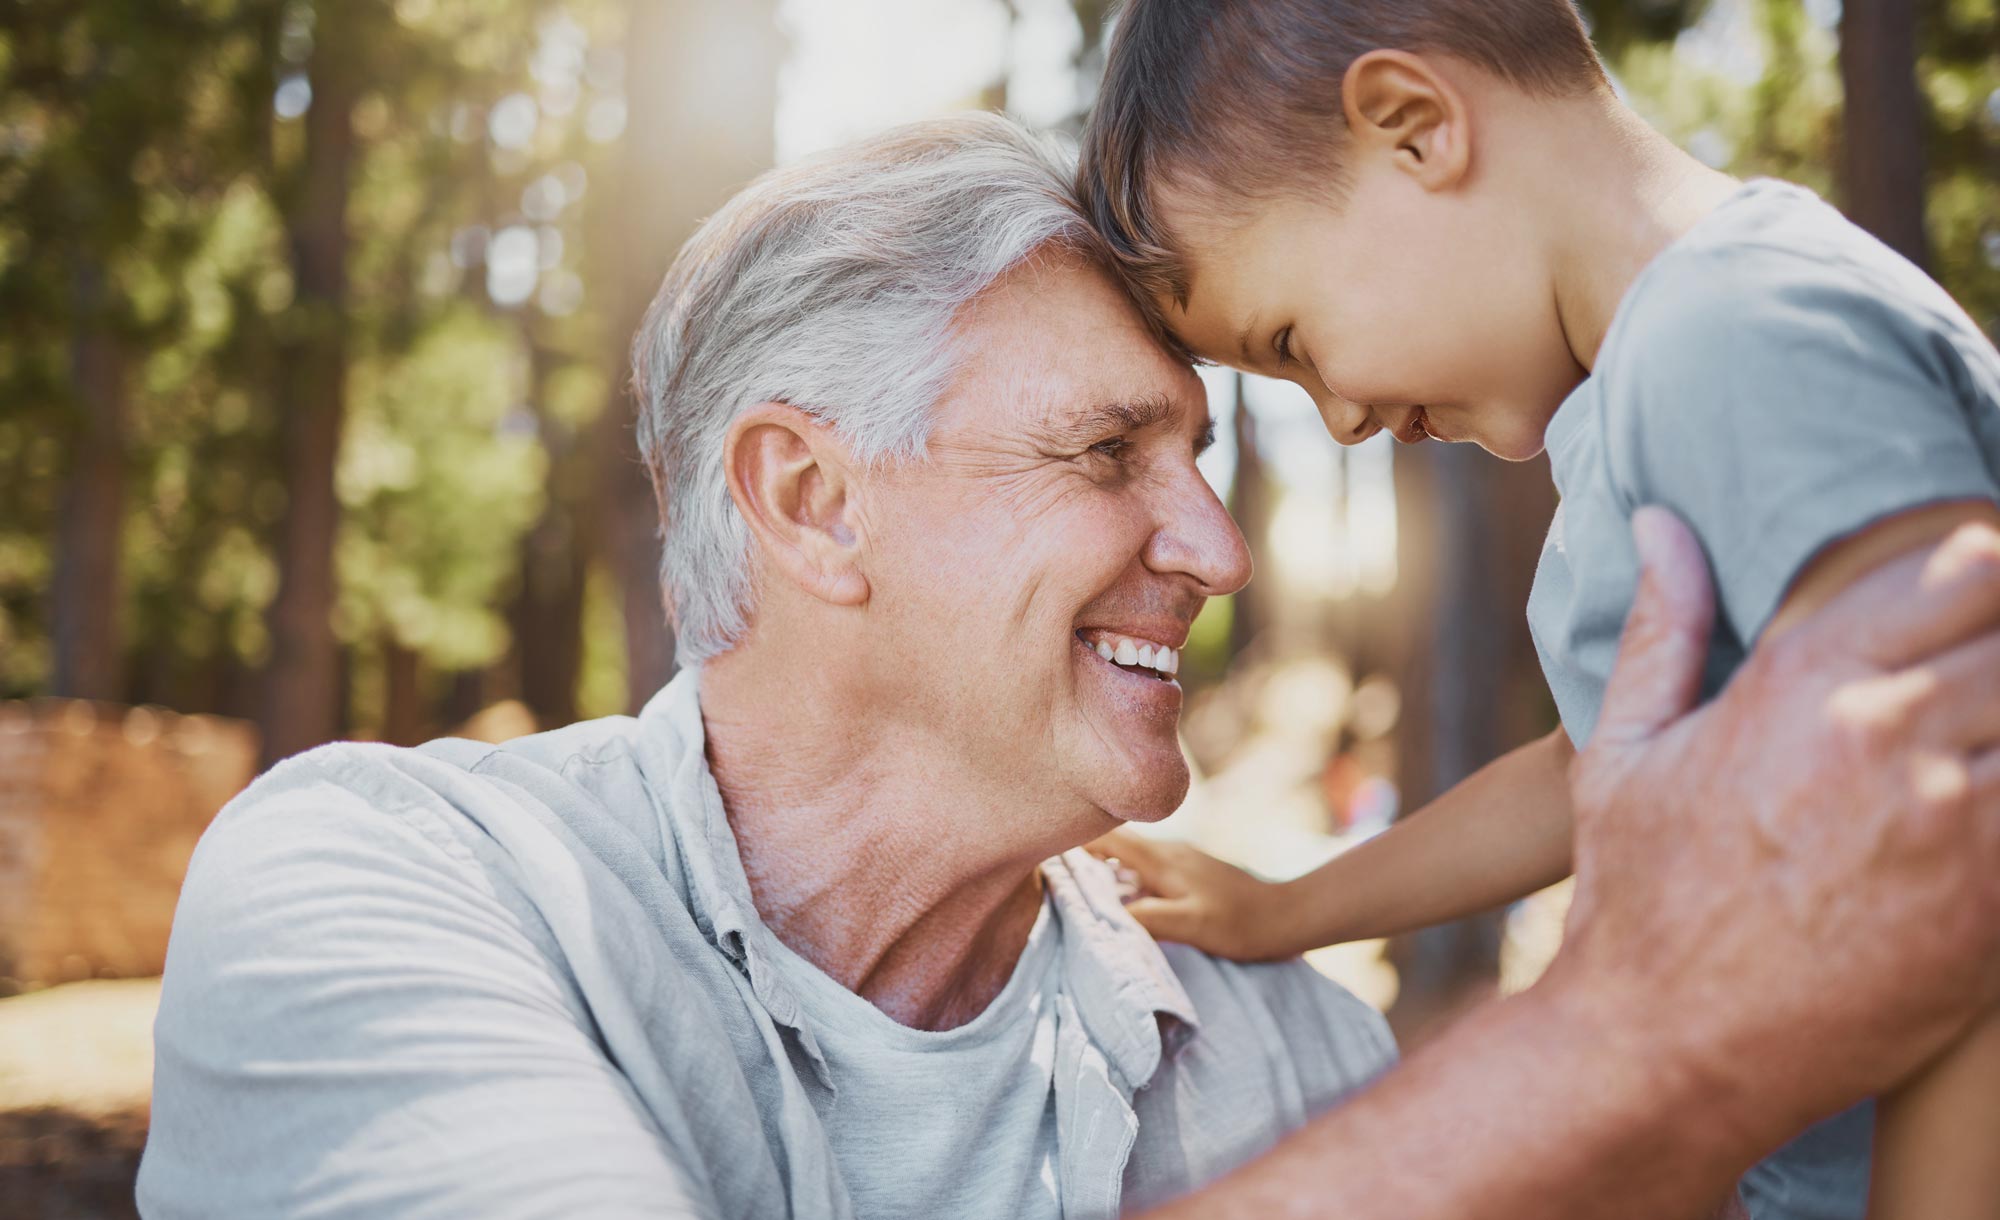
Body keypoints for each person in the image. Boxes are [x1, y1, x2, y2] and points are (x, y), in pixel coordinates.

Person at [136, 113, 2000, 1220]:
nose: (1219, 551)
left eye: (1202, 454)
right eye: (1108, 453)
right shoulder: (385, 885)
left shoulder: (1287, 1050)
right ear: (813, 503)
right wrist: (1632, 1038)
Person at [1073, 1, 2000, 1217]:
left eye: (1292, 341)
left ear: (1413, 129)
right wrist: (1288, 907)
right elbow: (1584, 767)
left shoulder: (1732, 334)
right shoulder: (1659, 374)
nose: (1339, 417)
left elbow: (1957, 833)